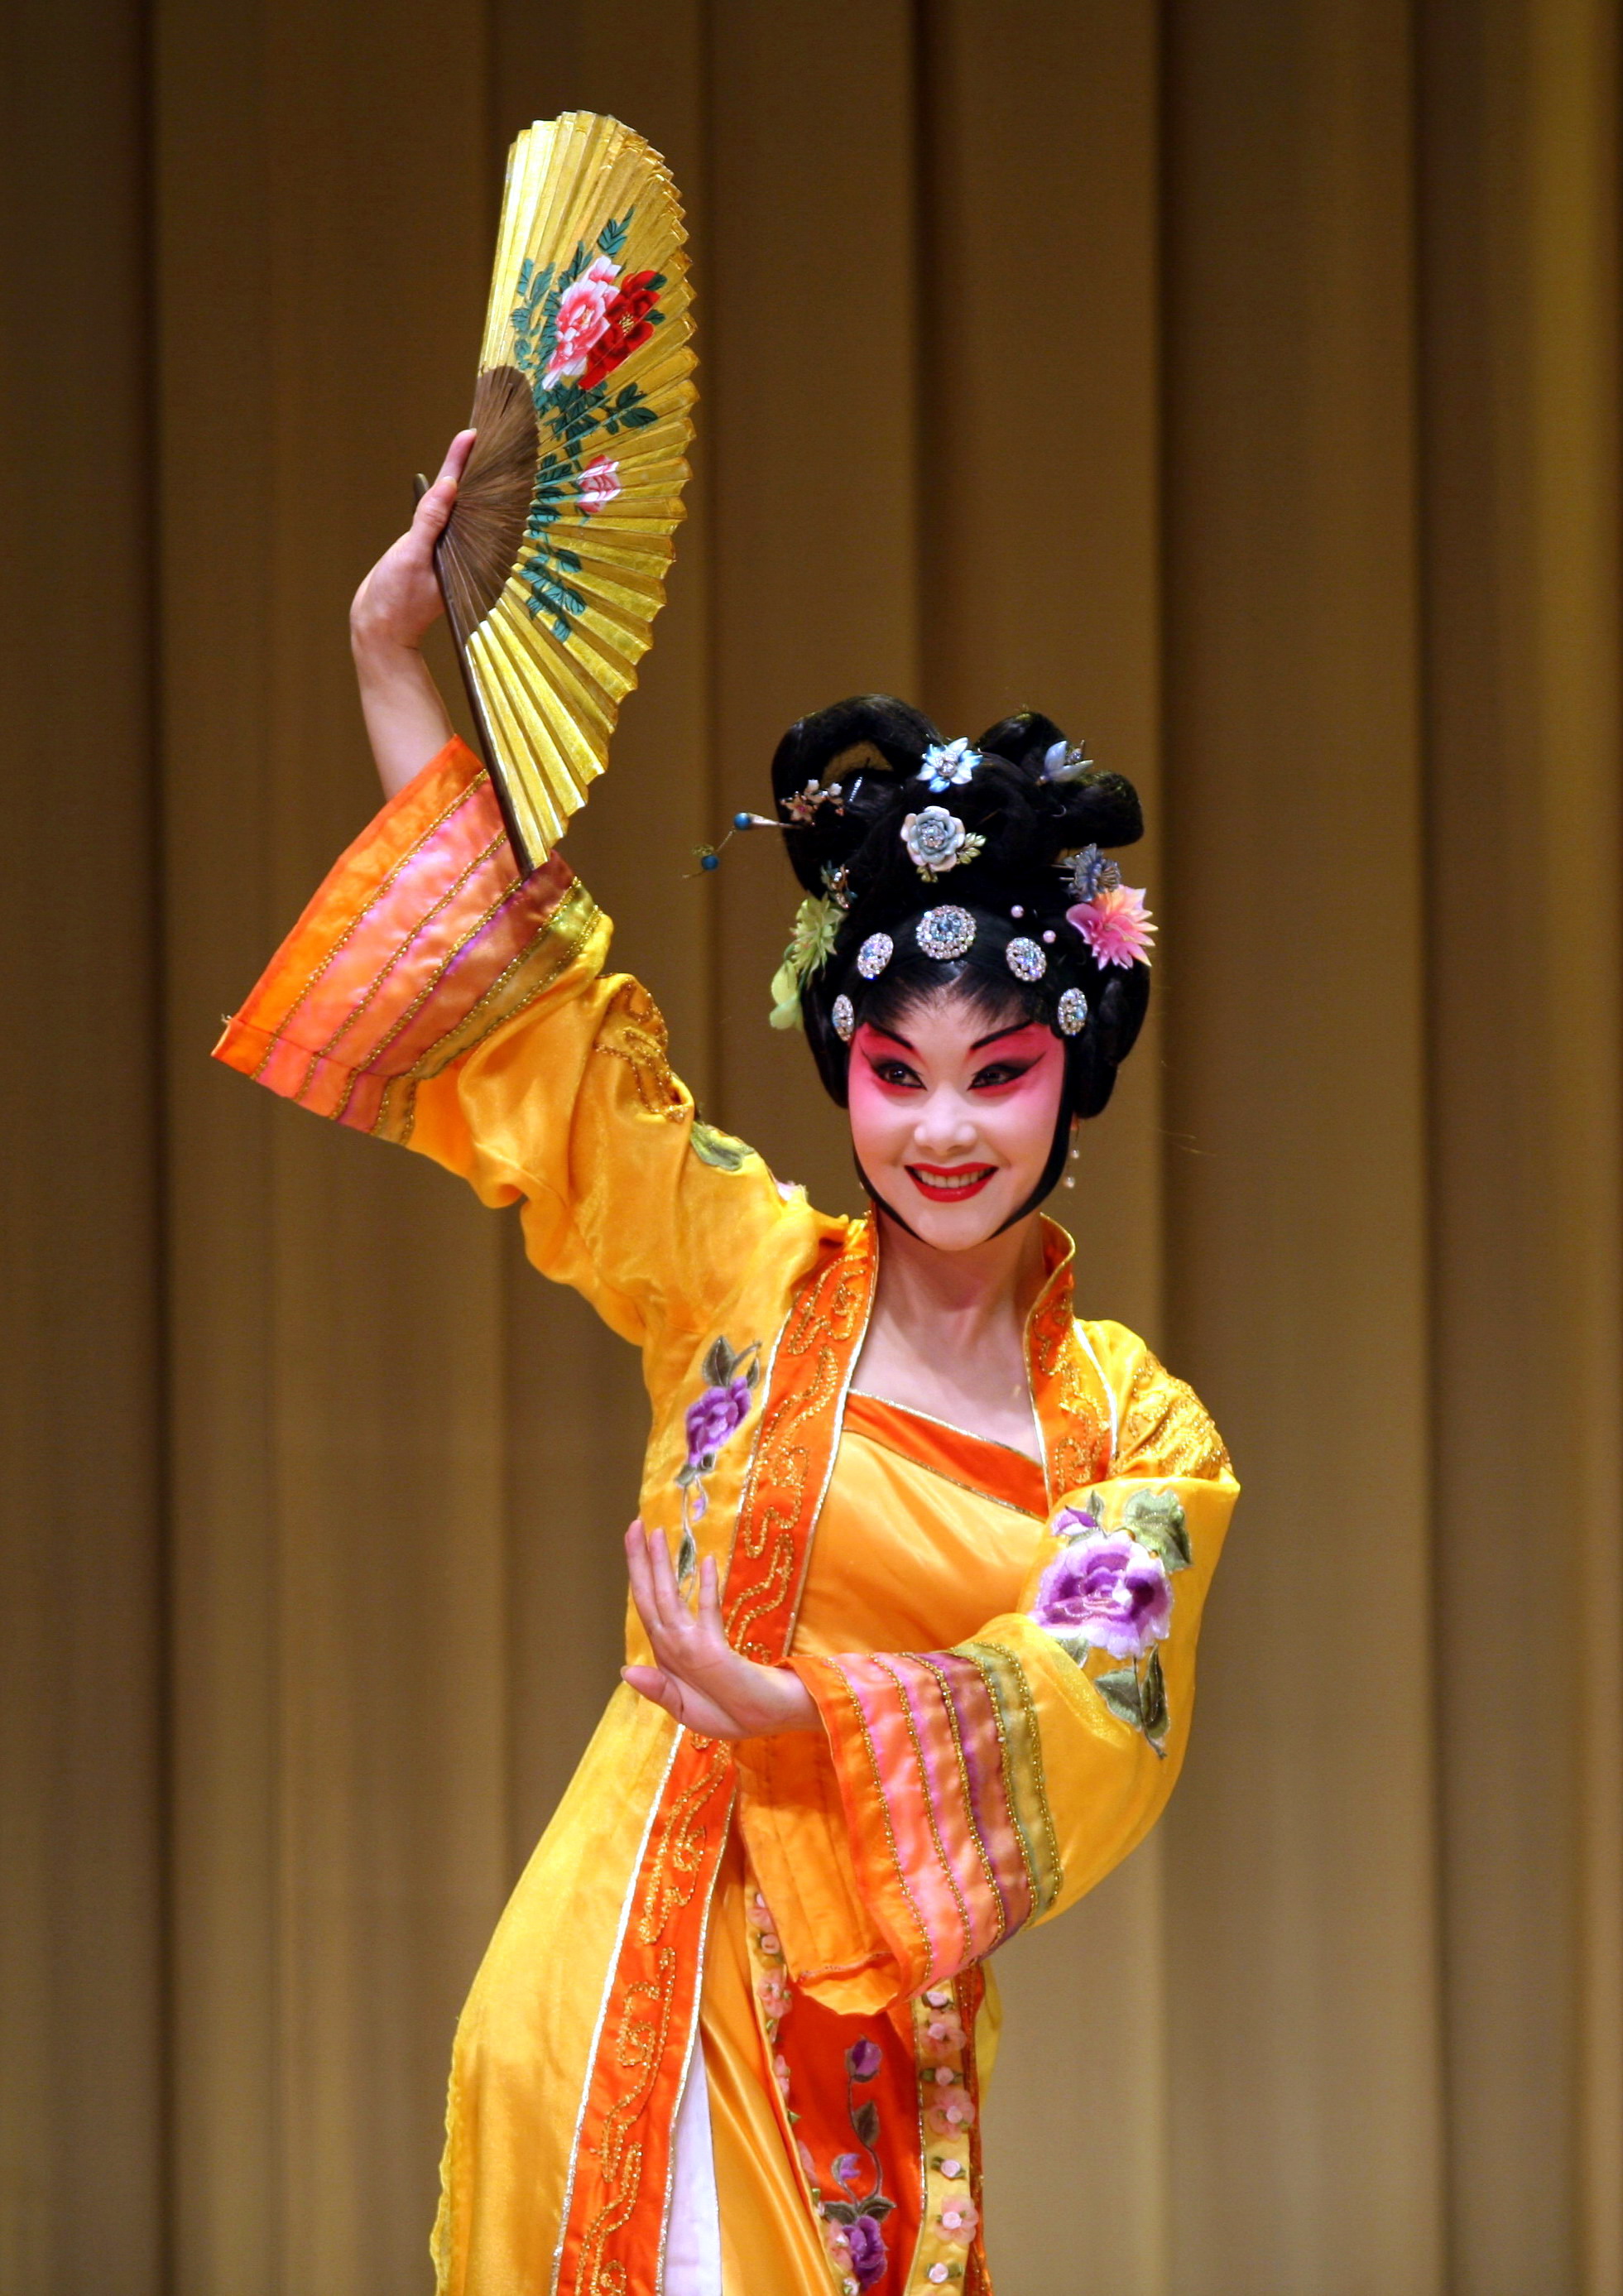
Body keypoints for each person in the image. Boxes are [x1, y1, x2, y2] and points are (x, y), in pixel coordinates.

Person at [215, 434, 1238, 2296]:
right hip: (616, 1987)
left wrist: (811, 1721)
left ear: (1073, 1082)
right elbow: (545, 1028)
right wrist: (392, 664)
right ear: (840, 1063)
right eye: (896, 1069)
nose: (942, 1128)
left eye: (997, 1073)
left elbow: (1097, 1695)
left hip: (857, 2058)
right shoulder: (744, 1280)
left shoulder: (1132, 1425)